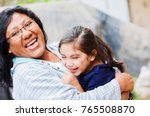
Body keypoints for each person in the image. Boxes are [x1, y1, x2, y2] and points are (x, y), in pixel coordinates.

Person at [0, 6, 133, 100]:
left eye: (28, 24)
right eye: (15, 33)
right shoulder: (27, 74)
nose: (27, 33)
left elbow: (107, 62)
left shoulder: (57, 47)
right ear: (8, 47)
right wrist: (118, 87)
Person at [59, 26, 125, 91]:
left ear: (92, 55)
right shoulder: (86, 68)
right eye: (63, 57)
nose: (68, 63)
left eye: (74, 57)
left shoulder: (100, 76)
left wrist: (76, 85)